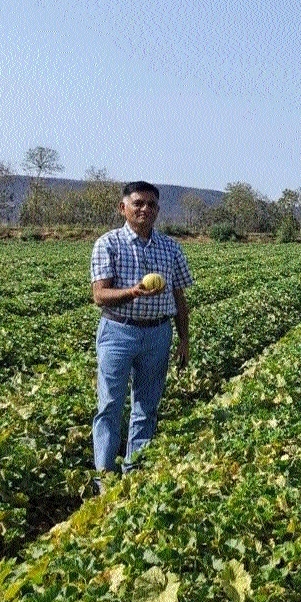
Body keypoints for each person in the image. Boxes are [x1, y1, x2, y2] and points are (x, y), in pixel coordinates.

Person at [89, 180, 193, 478]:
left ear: (158, 210)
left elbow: (179, 297)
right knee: (109, 406)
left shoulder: (171, 248)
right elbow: (100, 296)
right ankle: (105, 477)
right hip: (117, 333)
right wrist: (133, 292)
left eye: (151, 205)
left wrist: (184, 339)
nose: (144, 209)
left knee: (146, 407)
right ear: (123, 208)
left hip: (158, 334)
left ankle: (133, 473)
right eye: (138, 203)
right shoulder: (108, 243)